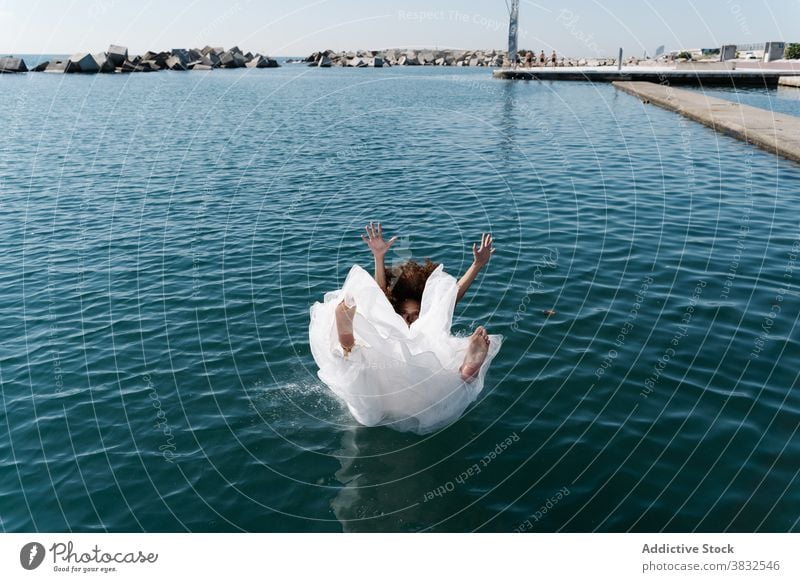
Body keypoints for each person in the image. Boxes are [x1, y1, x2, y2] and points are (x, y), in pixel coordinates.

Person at [309, 223, 502, 434]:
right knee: (369, 350)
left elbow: (450, 300)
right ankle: (464, 376)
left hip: (410, 380)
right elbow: (379, 297)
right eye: (405, 314)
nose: (409, 318)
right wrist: (379, 257)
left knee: (365, 402)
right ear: (395, 309)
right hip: (396, 382)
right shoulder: (392, 318)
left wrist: (477, 265)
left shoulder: (426, 324)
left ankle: (349, 349)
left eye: (415, 314)